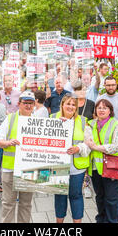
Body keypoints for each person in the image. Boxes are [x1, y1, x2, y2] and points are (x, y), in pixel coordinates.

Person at [0, 91, 36, 223]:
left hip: (29, 170)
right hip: (10, 169)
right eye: (25, 103)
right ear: (19, 104)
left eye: (31, 103)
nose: (28, 106)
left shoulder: (39, 122)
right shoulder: (11, 118)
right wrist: (8, 143)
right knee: (8, 204)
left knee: (26, 204)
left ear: (34, 105)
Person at [50, 94, 91, 223]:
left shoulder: (83, 121)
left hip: (76, 168)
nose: (71, 107)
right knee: (60, 196)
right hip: (58, 166)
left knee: (76, 196)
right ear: (62, 104)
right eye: (68, 103)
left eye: (73, 105)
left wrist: (79, 148)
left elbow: (89, 144)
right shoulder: (51, 119)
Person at [84, 99, 118, 223]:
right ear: (95, 110)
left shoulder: (117, 125)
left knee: (112, 200)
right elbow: (86, 142)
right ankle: (101, 220)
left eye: (105, 108)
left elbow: (116, 147)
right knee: (100, 198)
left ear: (110, 111)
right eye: (99, 107)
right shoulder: (89, 124)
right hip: (96, 169)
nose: (101, 110)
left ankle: (111, 221)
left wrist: (96, 147)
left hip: (112, 168)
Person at [96, 76, 118, 204]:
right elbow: (97, 116)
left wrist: (117, 130)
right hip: (103, 137)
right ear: (104, 86)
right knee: (105, 163)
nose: (110, 87)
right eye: (108, 85)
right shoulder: (100, 98)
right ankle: (105, 190)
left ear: (116, 85)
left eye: (113, 85)